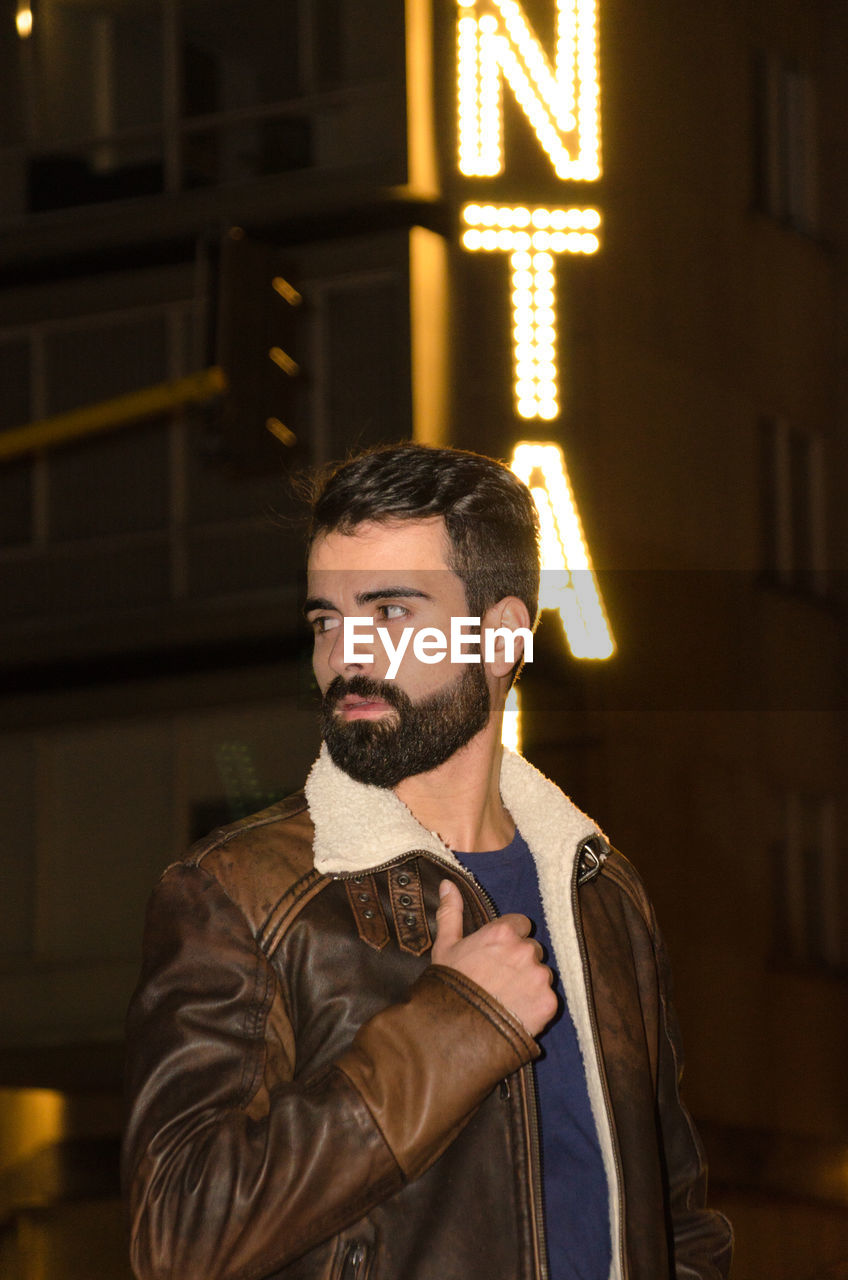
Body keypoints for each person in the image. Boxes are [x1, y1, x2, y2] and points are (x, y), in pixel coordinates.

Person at [122, 442, 733, 1280]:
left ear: (505, 636)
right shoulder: (239, 896)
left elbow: (677, 1220)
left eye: (392, 613)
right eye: (325, 620)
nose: (347, 656)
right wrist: (453, 1031)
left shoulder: (599, 890)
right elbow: (180, 1237)